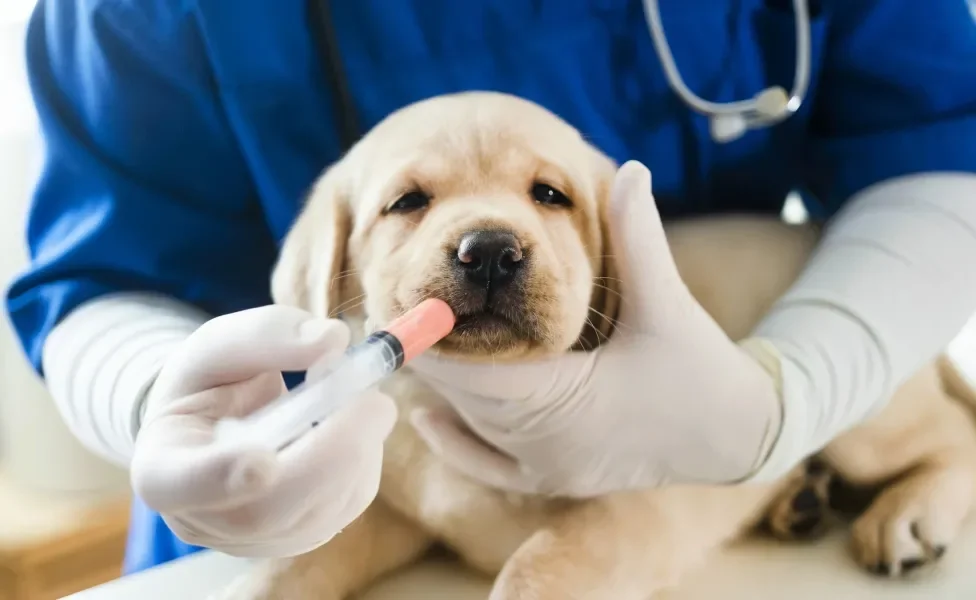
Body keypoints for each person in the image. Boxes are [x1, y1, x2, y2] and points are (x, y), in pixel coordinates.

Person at [7, 0, 976, 576]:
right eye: (413, 202)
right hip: (276, 466)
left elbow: (941, 143)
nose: (485, 244)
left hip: (770, 390)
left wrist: (786, 394)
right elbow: (98, 268)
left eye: (546, 196)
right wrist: (156, 404)